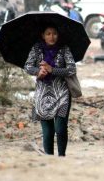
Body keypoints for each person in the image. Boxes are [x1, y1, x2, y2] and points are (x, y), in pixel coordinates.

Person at [24, 24, 76, 156]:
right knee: (47, 131)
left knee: (60, 129)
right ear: (43, 35)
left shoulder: (64, 49)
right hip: (42, 94)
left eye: (54, 33)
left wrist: (53, 70)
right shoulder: (36, 49)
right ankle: (49, 158)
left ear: (58, 35)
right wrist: (38, 71)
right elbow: (27, 66)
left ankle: (61, 157)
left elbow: (71, 69)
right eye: (48, 33)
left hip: (62, 93)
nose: (52, 37)